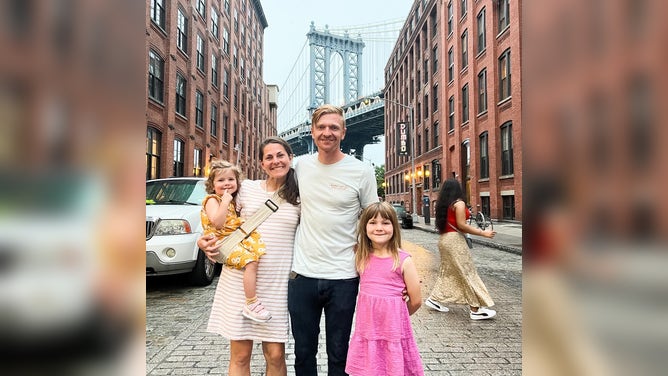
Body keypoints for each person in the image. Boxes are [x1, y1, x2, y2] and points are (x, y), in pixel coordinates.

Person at [198, 137, 300, 376]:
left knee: (275, 355)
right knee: (241, 355)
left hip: (276, 283)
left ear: (290, 158)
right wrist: (201, 240)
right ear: (262, 164)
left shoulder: (298, 196)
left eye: (280, 155)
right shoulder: (246, 189)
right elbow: (216, 220)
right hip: (239, 280)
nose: (276, 161)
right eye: (269, 157)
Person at [288, 104, 378, 375]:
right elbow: (264, 194)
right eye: (321, 127)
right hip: (302, 275)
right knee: (303, 353)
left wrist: (392, 268)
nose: (327, 132)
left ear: (344, 132)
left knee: (339, 354)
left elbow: (374, 219)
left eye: (334, 127)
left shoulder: (361, 171)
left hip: (344, 276)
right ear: (313, 132)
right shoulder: (298, 166)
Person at [345, 202, 424, 376]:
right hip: (367, 329)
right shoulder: (359, 255)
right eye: (373, 223)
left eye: (386, 223)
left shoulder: (404, 260)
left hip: (393, 331)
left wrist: (397, 314)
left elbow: (416, 300)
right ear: (364, 227)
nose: (379, 228)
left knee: (392, 367)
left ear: (394, 227)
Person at [200, 159, 271, 322]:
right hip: (222, 244)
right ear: (212, 184)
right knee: (251, 262)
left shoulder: (232, 200)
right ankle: (251, 302)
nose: (226, 183)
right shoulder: (212, 200)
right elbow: (217, 223)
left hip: (232, 240)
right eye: (221, 180)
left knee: (257, 253)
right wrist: (224, 202)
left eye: (231, 179)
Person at [424, 178, 498, 320]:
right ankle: (475, 309)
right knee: (467, 272)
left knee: (448, 272)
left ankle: (434, 298)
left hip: (444, 239)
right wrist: (483, 233)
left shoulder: (444, 205)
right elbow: (462, 225)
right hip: (454, 241)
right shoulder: (459, 203)